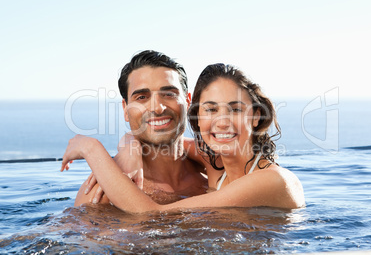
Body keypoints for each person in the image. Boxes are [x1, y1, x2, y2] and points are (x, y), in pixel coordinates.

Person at [63, 63, 305, 212]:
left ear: (255, 116)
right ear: (198, 116)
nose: (222, 121)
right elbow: (175, 147)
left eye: (236, 109)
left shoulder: (273, 180)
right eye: (211, 109)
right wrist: (130, 146)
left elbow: (150, 212)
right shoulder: (214, 162)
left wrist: (91, 148)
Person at [73, 50, 208, 206]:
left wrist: (130, 144)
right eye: (142, 97)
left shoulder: (216, 172)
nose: (158, 108)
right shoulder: (103, 193)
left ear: (188, 101)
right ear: (125, 109)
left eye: (169, 94)